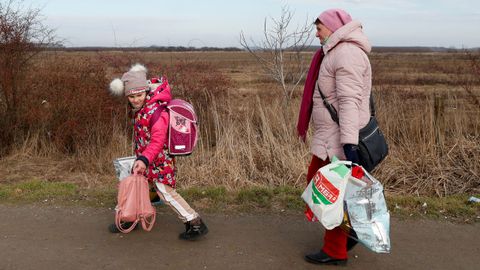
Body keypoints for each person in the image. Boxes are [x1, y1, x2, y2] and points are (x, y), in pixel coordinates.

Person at [297, 8, 372, 265]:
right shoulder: (334, 52)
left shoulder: (346, 53)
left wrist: (349, 145)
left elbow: (350, 102)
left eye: (319, 29)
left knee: (329, 194)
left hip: (339, 140)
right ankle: (346, 234)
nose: (316, 34)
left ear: (333, 27)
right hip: (329, 137)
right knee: (320, 188)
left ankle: (336, 250)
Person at [108, 64, 208, 240]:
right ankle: (129, 218)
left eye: (139, 95)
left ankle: (194, 222)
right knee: (136, 185)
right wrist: (143, 158)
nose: (135, 99)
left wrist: (144, 159)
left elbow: (157, 141)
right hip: (147, 157)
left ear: (146, 92)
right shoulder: (144, 109)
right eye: (131, 96)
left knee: (165, 192)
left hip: (159, 161)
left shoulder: (157, 112)